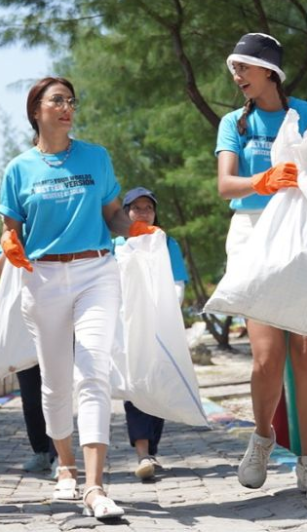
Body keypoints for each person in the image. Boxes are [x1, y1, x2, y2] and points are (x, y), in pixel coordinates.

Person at [0, 76, 142, 520]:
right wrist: (8, 243)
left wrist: (137, 230)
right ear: (36, 110)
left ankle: (96, 487)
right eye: (56, 100)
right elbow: (10, 228)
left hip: (96, 269)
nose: (66, 108)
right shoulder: (19, 169)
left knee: (93, 371)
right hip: (42, 278)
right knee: (56, 381)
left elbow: (112, 214)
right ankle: (65, 465)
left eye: (71, 101)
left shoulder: (96, 157)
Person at [215, 33, 307, 500]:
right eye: (235, 70)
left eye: (243, 69)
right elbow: (226, 185)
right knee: (267, 358)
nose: (237, 78)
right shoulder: (234, 122)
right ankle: (263, 438)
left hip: (303, 232)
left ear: (267, 70)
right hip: (254, 233)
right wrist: (263, 179)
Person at [115, 186, 190, 481]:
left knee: (157, 384)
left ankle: (152, 450)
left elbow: (177, 283)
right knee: (135, 385)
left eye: (148, 207)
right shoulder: (117, 244)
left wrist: (164, 312)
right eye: (137, 208)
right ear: (126, 213)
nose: (143, 212)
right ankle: (142, 453)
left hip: (160, 325)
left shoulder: (165, 241)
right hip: (128, 326)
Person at [0, 250, 56, 474]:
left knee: (55, 390)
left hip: (54, 317)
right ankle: (40, 451)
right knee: (30, 396)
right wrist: (11, 248)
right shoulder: (17, 230)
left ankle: (58, 454)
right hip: (24, 328)